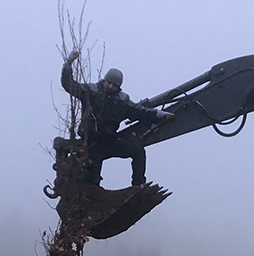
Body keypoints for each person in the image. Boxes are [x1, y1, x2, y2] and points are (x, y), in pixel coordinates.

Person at [61, 49, 173, 187]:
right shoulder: (90, 92)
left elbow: (139, 112)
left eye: (115, 85)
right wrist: (68, 63)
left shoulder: (122, 101)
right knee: (92, 180)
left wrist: (159, 114)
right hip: (91, 144)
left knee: (138, 151)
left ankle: (138, 187)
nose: (111, 86)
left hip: (109, 142)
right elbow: (69, 84)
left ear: (119, 87)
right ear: (104, 80)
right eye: (109, 83)